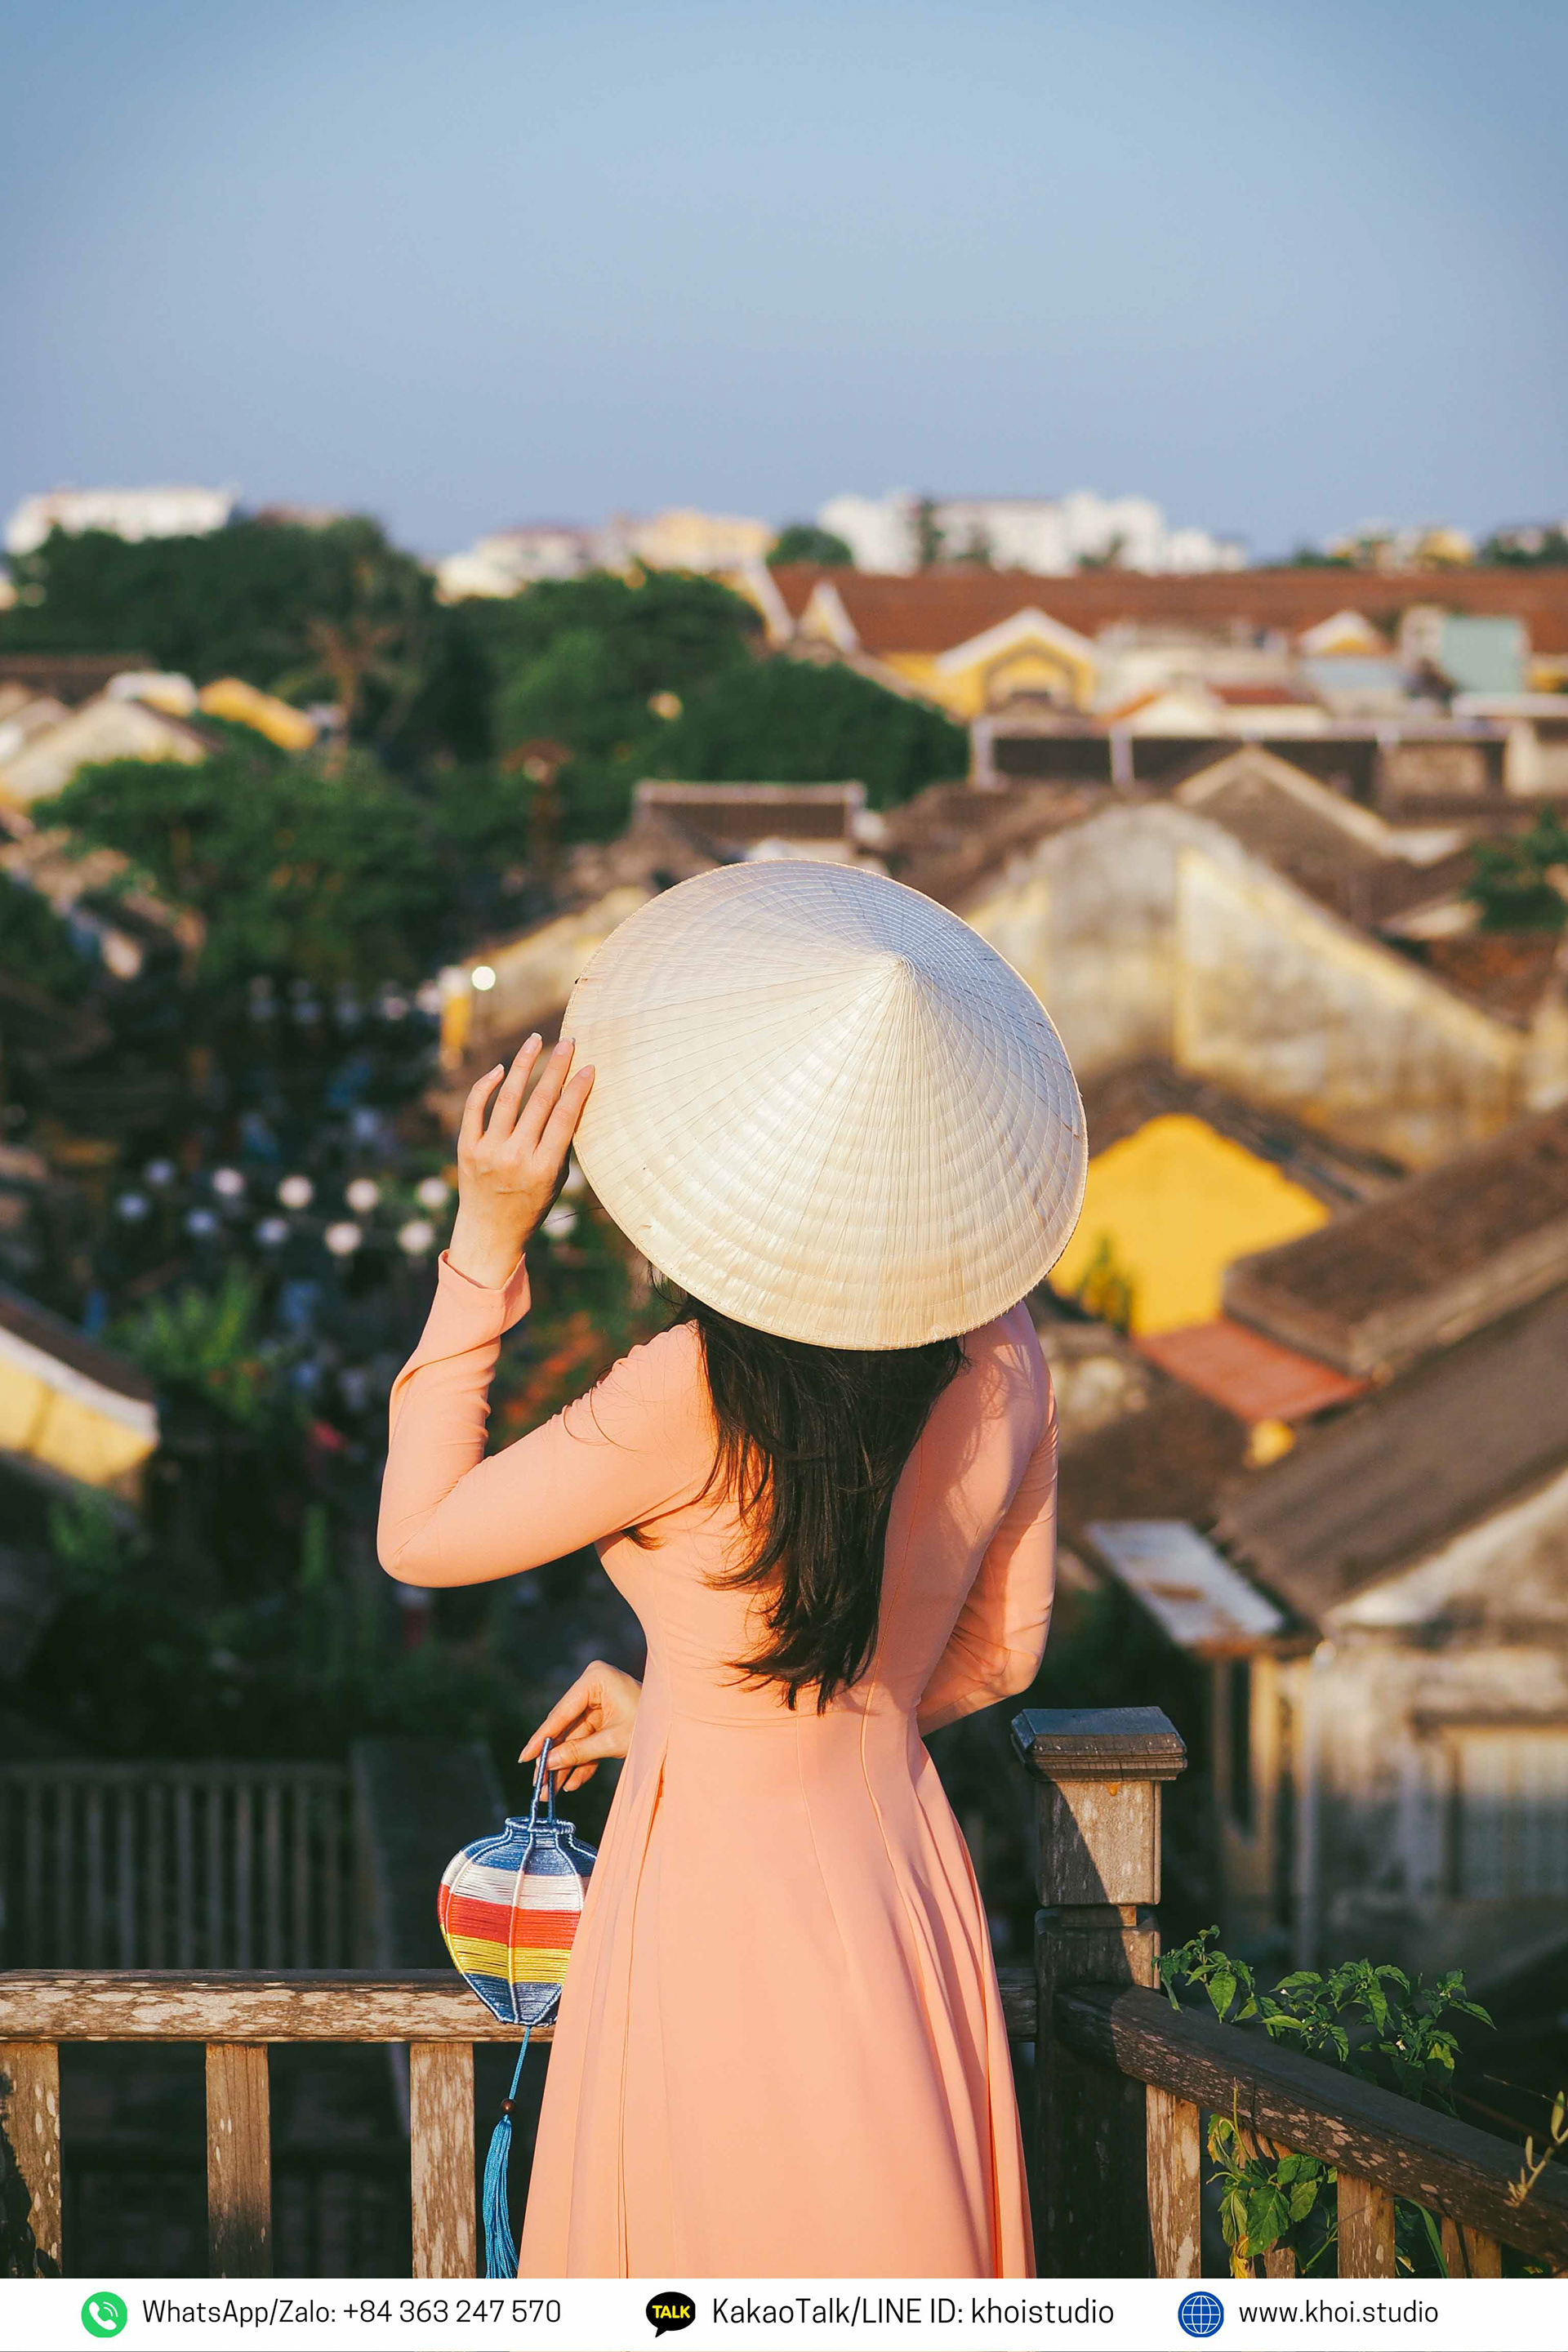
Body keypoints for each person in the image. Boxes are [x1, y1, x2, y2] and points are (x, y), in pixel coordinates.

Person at [379, 862, 1085, 2279]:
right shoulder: (1006, 1351)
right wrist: (724, 1708)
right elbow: (998, 1658)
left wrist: (484, 1244)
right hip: (897, 1879)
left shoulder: (690, 1388)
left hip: (708, 1887)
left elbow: (423, 1535)